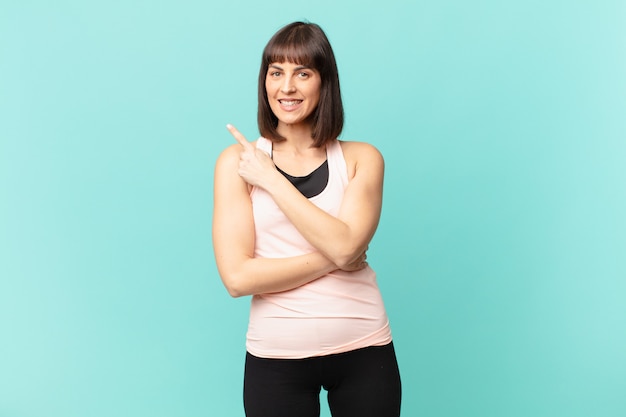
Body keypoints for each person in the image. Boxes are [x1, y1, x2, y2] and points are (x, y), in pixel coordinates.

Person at [212, 21, 401, 417]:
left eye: (303, 73)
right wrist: (338, 256)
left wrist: (270, 179)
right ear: (265, 82)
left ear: (324, 82)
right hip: (275, 356)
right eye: (276, 72)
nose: (287, 87)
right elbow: (238, 278)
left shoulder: (361, 158)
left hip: (364, 348)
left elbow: (349, 244)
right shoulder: (237, 163)